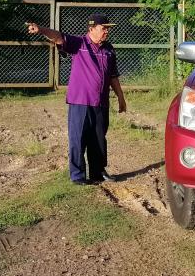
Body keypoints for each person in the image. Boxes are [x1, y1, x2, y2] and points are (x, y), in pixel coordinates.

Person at [27, 13, 127, 185]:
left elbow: (113, 75)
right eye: (103, 28)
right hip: (80, 101)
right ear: (91, 29)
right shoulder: (79, 43)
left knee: (98, 139)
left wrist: (121, 97)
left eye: (108, 29)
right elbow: (58, 37)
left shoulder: (109, 48)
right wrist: (41, 29)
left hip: (101, 102)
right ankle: (78, 175)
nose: (106, 32)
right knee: (78, 139)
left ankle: (98, 172)